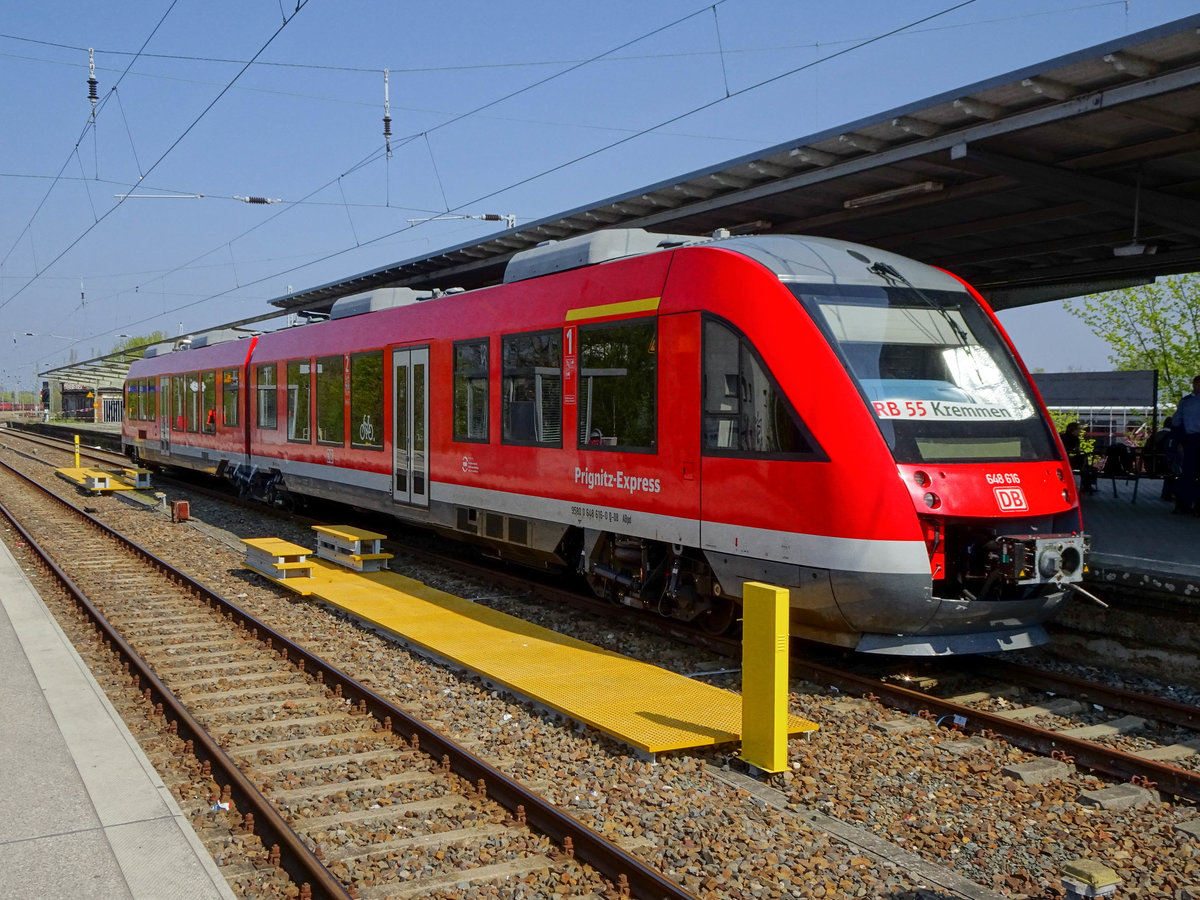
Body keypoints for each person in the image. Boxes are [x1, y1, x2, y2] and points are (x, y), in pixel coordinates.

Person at [1174, 375, 1200, 515]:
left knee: (1188, 474)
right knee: (1188, 473)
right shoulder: (1186, 402)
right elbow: (1177, 421)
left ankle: (1184, 505)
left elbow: (1176, 422)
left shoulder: (1186, 402)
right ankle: (1190, 505)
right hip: (1191, 439)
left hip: (1190, 439)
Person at [1060, 421, 1096, 492]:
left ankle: (1087, 485)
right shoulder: (1074, 439)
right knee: (1085, 465)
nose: (1080, 431)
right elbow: (1076, 451)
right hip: (1070, 462)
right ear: (1074, 430)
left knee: (1084, 464)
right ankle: (1087, 486)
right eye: (1079, 429)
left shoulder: (1062, 437)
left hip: (1062, 460)